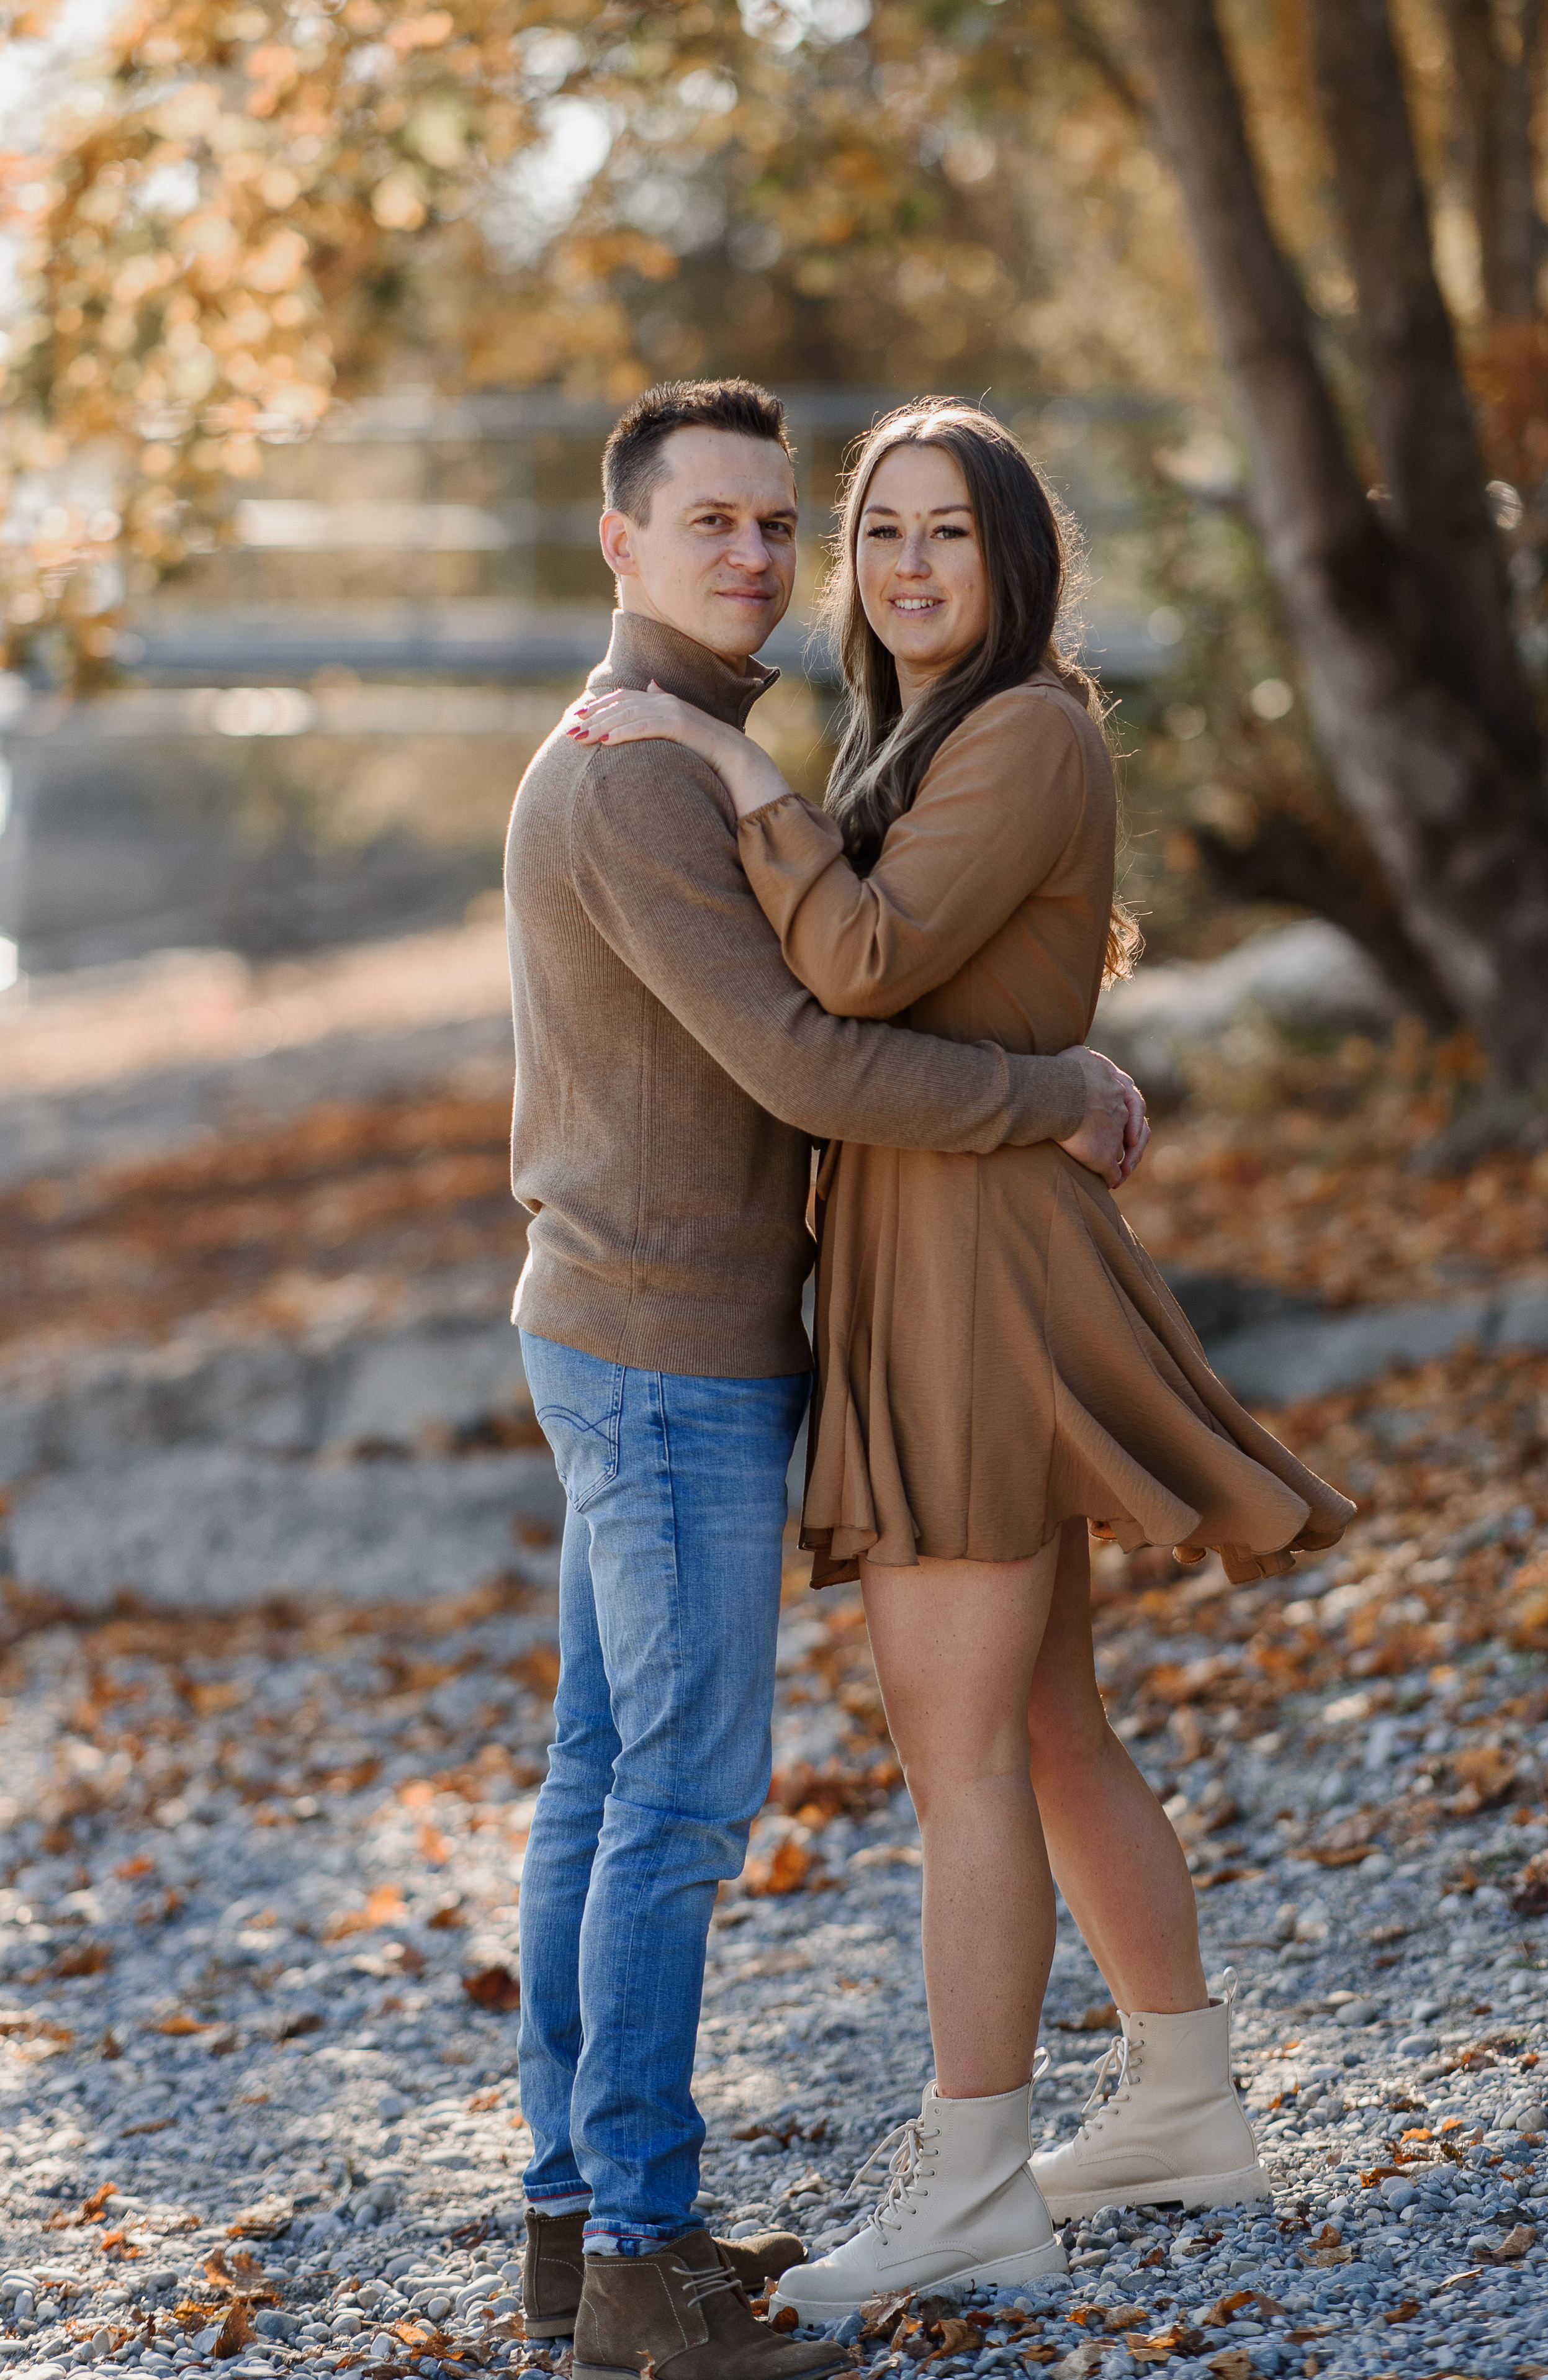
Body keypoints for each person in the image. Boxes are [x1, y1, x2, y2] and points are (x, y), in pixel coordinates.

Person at [566, 397, 1356, 2322]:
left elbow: (852, 970)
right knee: (1050, 1719)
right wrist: (1047, 1068)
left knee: (961, 1752)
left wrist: (710, 753)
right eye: (884, 532)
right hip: (944, 1249)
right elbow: (908, 975)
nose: (908, 565)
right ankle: (1182, 2099)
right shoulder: (918, 737)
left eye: (951, 532)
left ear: (1018, 560)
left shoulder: (1022, 731)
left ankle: (975, 2178)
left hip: (970, 1272)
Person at [503, 378, 1150, 2380]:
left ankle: (575, 2229)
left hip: (633, 1327)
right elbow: (812, 1054)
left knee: (607, 1780)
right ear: (620, 542)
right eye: (712, 521)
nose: (759, 554)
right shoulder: (641, 776)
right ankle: (637, 2255)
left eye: (779, 522)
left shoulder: (671, 748)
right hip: (667, 1350)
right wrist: (1055, 1092)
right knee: (676, 1801)